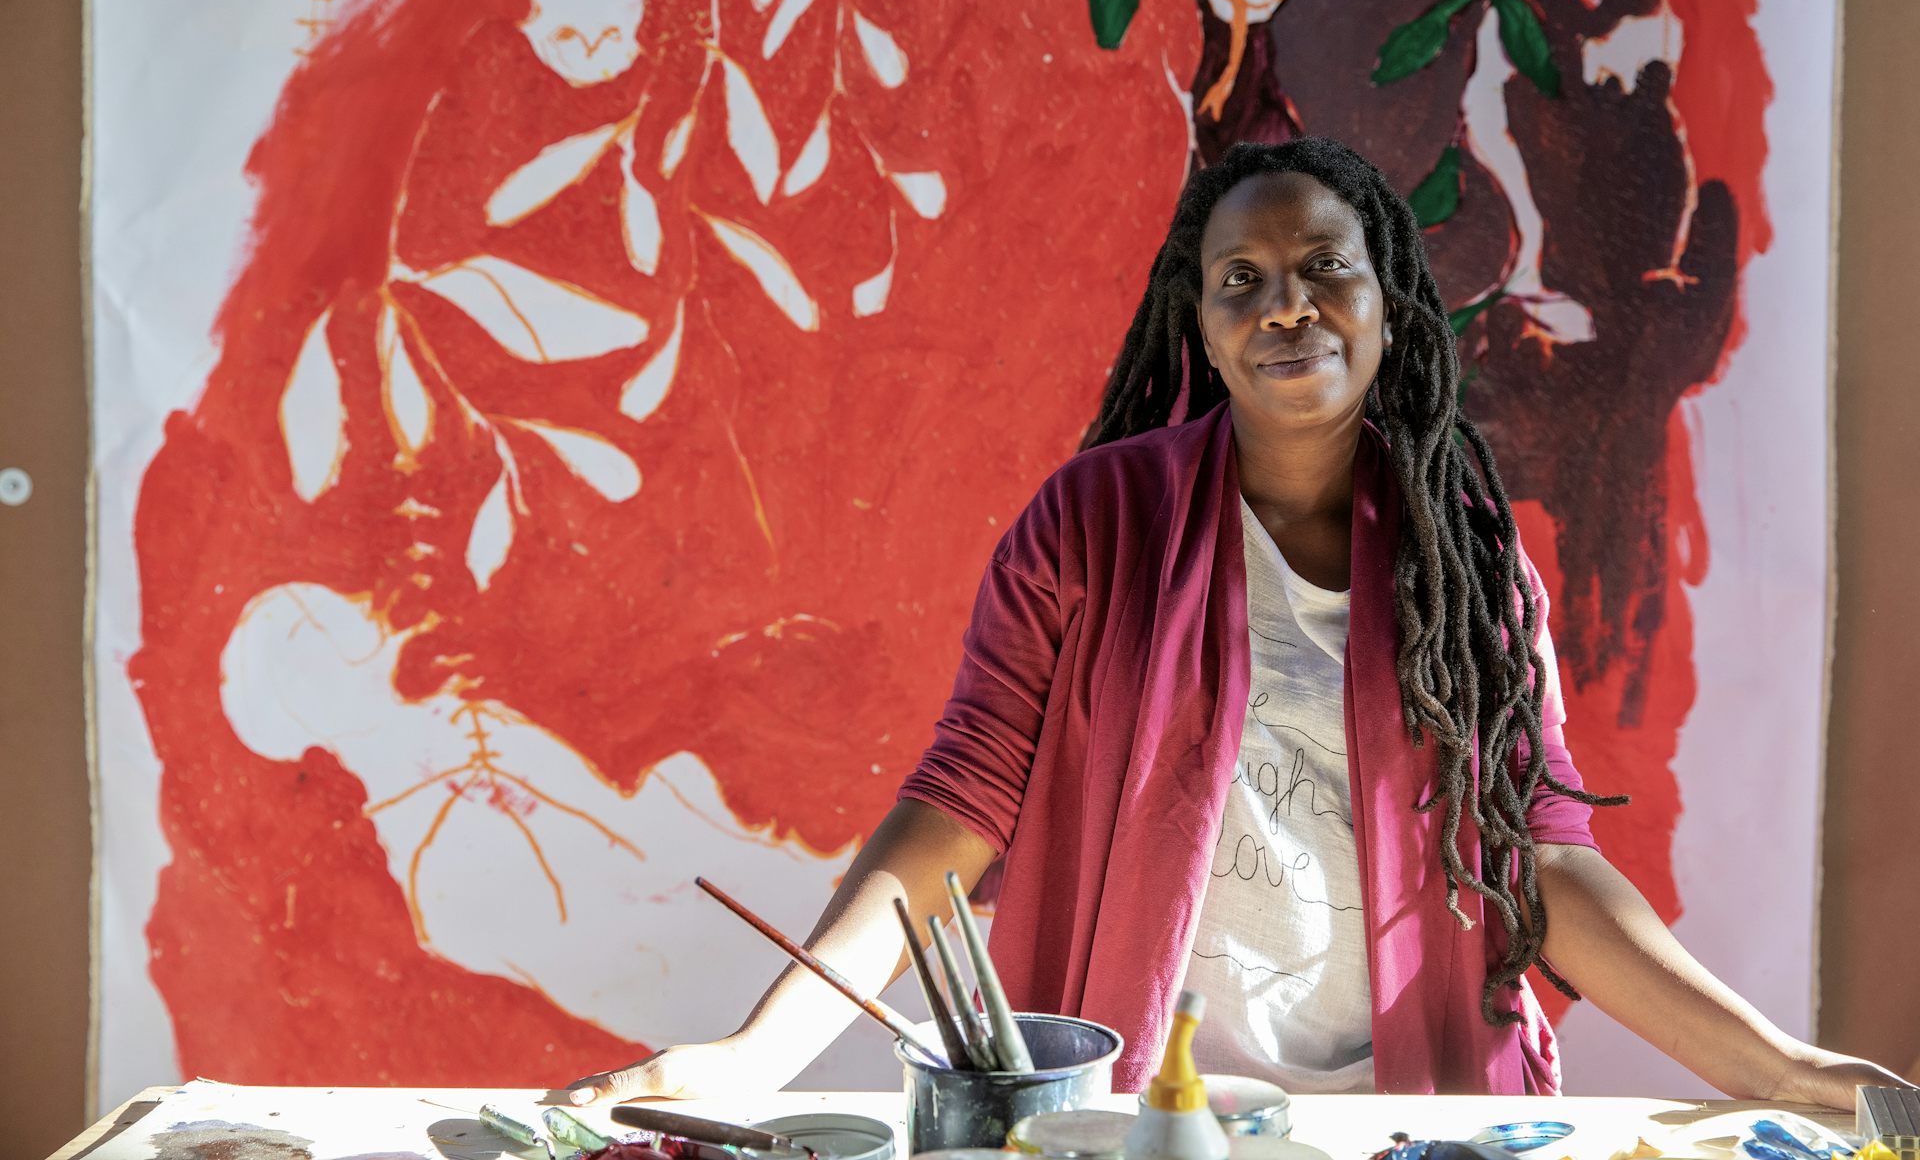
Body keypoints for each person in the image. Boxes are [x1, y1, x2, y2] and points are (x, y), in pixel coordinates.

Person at [567, 138, 1908, 1107]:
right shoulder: (1089, 524)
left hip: (1413, 1120)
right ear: (1201, 330)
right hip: (1131, 1124)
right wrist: (755, 1058)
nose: (1286, 304)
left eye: (1325, 267)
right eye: (1241, 281)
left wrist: (1782, 1070)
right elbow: (958, 812)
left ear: (1387, 306)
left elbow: (1544, 866)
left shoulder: (1473, 567)